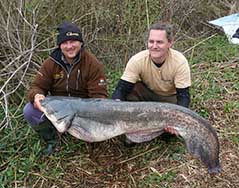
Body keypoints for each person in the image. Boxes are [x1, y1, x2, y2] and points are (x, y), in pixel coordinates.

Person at [23, 21, 108, 155]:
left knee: (101, 110)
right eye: (65, 43)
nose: (69, 46)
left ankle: (89, 139)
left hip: (83, 110)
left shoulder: (93, 63)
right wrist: (37, 96)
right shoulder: (51, 63)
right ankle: (52, 140)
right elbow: (37, 86)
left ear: (81, 43)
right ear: (60, 45)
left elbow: (99, 97)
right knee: (29, 110)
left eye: (73, 41)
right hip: (59, 108)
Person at [112, 22, 191, 145]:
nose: (154, 46)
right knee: (133, 89)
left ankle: (164, 132)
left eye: (159, 42)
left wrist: (176, 119)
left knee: (171, 133)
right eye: (151, 41)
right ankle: (134, 129)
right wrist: (115, 108)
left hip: (170, 101)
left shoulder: (180, 62)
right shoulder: (137, 60)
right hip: (149, 97)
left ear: (170, 43)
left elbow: (184, 96)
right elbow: (121, 90)